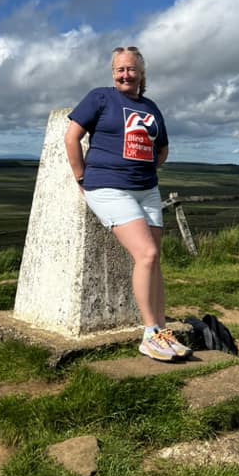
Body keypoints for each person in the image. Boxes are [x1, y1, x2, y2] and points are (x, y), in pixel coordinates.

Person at [64, 46, 191, 362]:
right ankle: (149, 335)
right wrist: (82, 178)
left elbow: (161, 148)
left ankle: (162, 330)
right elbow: (71, 137)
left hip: (146, 189)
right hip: (108, 187)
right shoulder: (100, 98)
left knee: (154, 259)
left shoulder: (150, 107)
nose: (125, 74)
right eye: (119, 69)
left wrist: (145, 169)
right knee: (145, 253)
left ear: (141, 74)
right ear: (112, 73)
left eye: (131, 69)